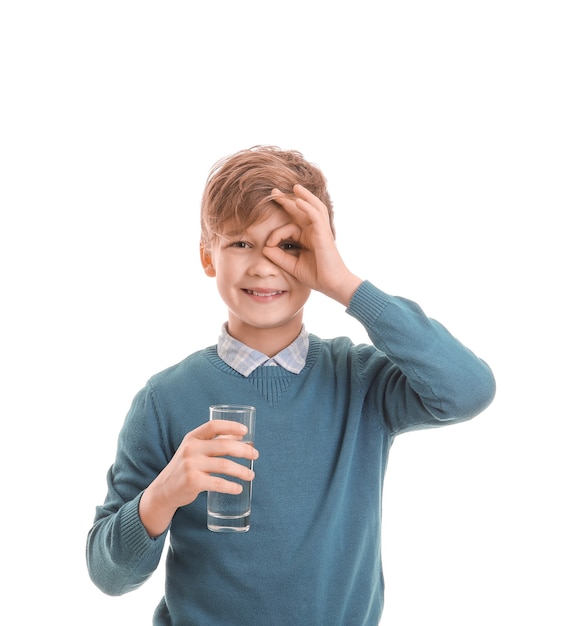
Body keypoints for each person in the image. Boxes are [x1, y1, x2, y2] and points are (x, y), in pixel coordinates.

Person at [86, 146, 496, 625]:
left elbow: (469, 389)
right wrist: (162, 495)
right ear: (207, 256)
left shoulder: (361, 380)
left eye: (288, 246)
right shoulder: (164, 400)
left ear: (319, 254)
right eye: (240, 243)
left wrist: (344, 283)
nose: (263, 266)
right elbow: (109, 575)